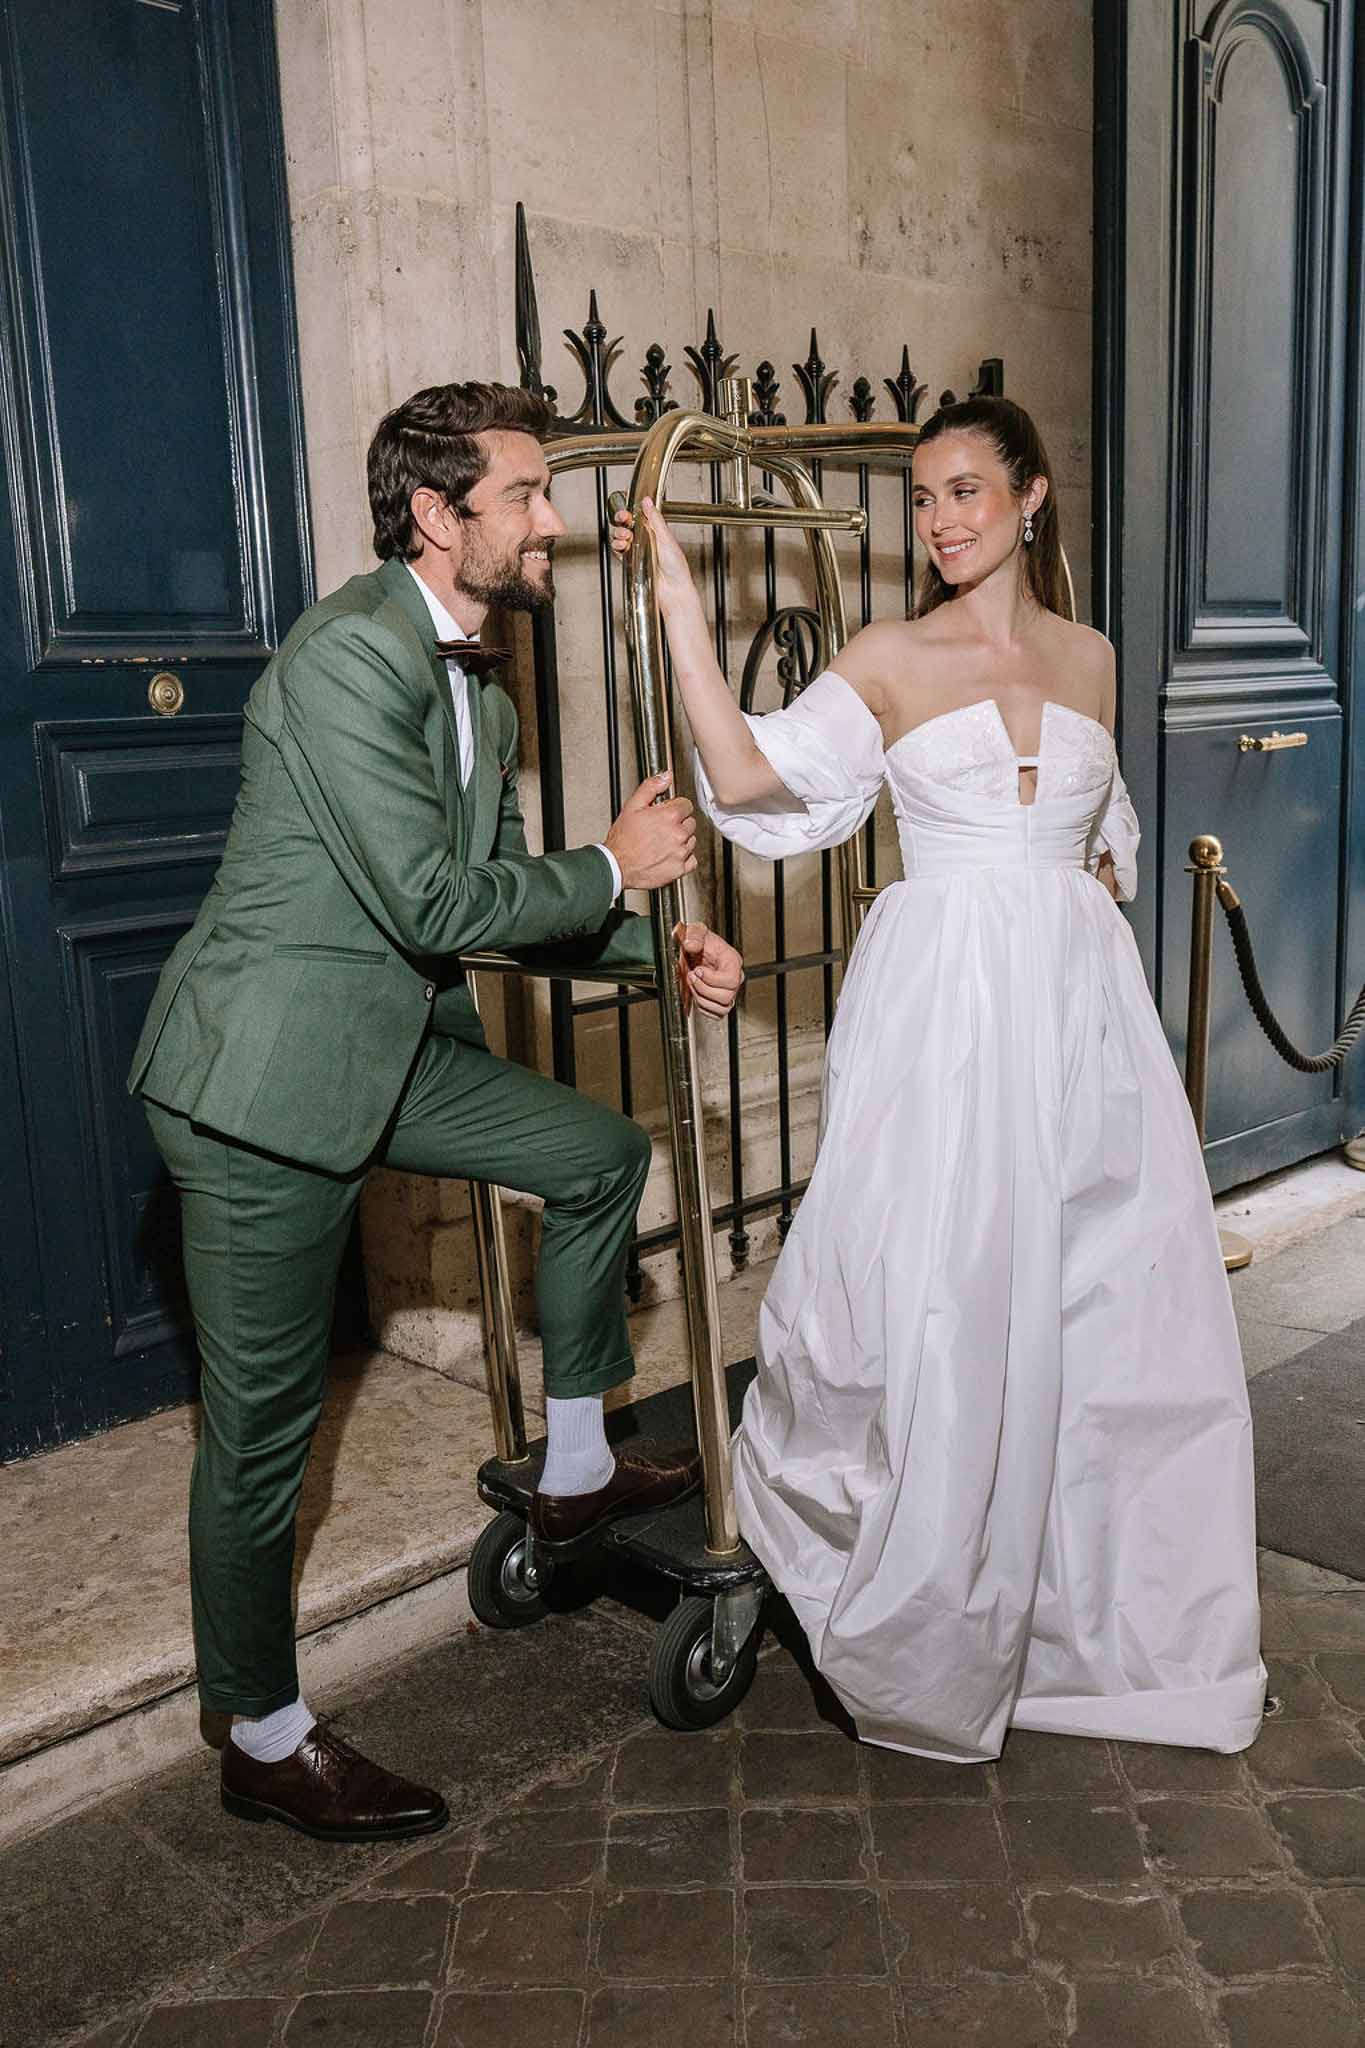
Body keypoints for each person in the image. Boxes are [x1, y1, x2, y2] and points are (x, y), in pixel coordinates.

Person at [130, 381, 744, 1840]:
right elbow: (425, 898)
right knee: (265, 1434)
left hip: (385, 1045)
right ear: (435, 513)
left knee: (596, 1154)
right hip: (264, 1086)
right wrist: (614, 864)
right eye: (527, 497)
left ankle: (579, 1471)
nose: (551, 522)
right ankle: (264, 1738)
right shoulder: (347, 661)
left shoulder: (475, 672)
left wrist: (657, 945)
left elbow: (496, 906)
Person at [612, 395, 1265, 1762]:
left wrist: (1078, 920)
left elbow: (1104, 843)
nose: (943, 519)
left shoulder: (1088, 656)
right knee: (936, 1289)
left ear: (1031, 497)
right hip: (941, 1014)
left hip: (1076, 1012)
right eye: (923, 499)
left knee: (1099, 1303)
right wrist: (678, 601)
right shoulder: (887, 656)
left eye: (967, 490)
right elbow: (748, 774)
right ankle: (937, 1610)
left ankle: (1092, 1613)